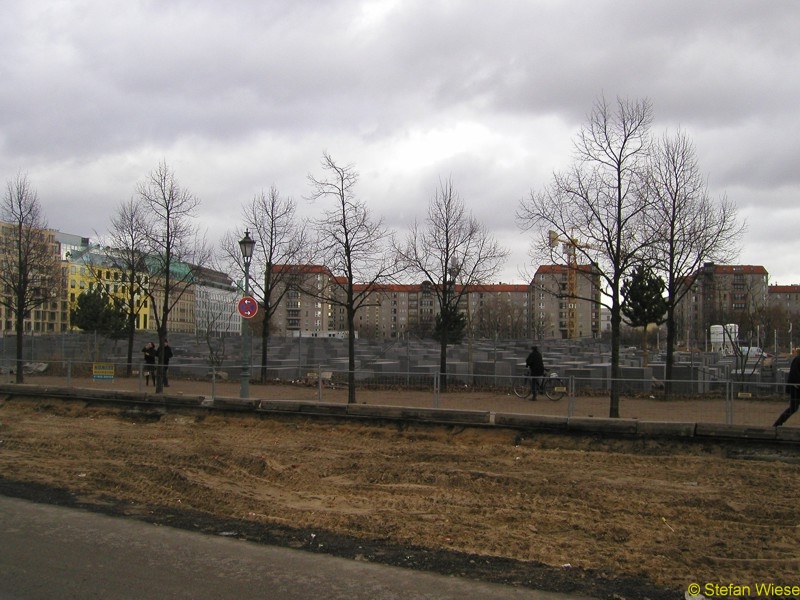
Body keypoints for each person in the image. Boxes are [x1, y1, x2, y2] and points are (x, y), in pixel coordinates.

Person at [774, 348, 800, 427]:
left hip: (795, 387)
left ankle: (778, 423)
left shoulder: (797, 360)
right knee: (793, 408)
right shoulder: (797, 360)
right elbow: (795, 373)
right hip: (796, 388)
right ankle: (778, 423)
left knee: (793, 408)